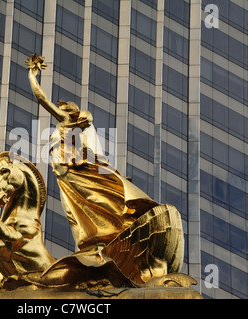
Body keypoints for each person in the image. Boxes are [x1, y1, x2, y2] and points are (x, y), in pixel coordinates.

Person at [26, 54, 159, 250]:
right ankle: (101, 237)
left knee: (86, 204)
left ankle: (119, 227)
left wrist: (32, 76)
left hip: (71, 172)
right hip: (64, 176)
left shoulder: (65, 121)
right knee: (78, 211)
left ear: (69, 111)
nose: (59, 109)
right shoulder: (68, 129)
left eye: (62, 107)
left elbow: (42, 99)